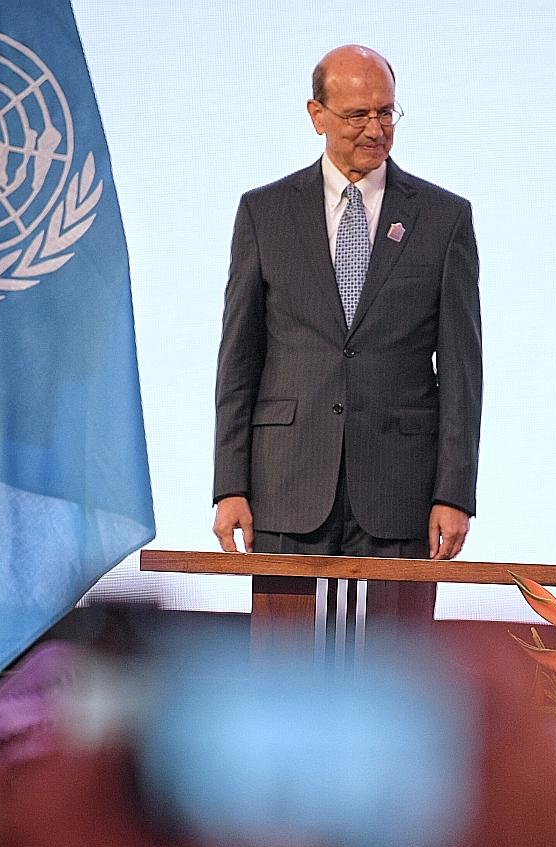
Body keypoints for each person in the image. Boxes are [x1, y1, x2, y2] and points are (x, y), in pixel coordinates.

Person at [213, 44, 483, 560]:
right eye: (357, 115)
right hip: (285, 486)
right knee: (284, 643)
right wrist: (230, 485)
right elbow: (238, 363)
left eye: (386, 112)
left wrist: (453, 494)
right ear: (317, 116)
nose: (375, 129)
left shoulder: (444, 218)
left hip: (401, 493)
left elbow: (461, 370)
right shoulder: (264, 213)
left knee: (399, 644)